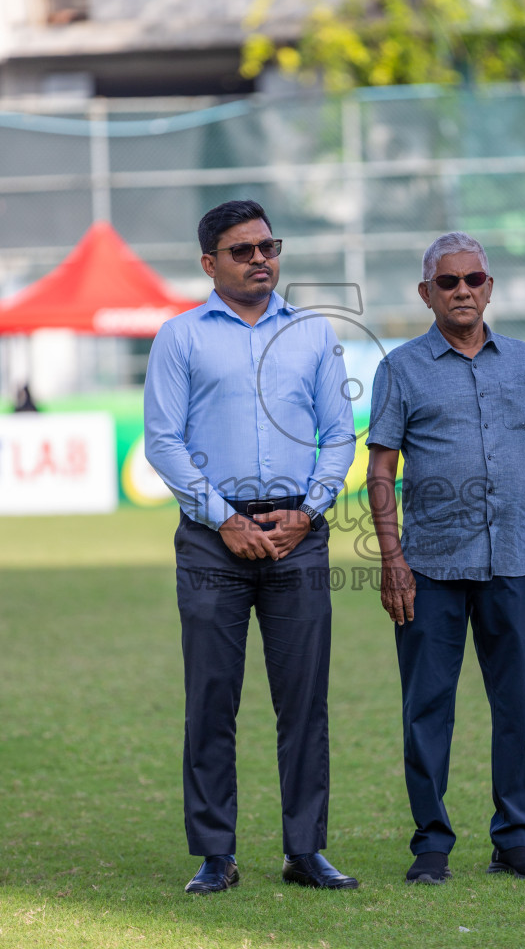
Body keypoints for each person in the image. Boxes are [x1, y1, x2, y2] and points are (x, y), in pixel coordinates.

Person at [144, 199, 358, 893]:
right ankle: (215, 854)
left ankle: (305, 851)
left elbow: (340, 433)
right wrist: (221, 518)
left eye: (268, 245)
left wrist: (310, 510)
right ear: (209, 263)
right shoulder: (179, 338)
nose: (260, 258)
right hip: (212, 542)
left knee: (304, 701)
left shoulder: (312, 334)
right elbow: (163, 441)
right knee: (211, 698)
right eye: (242, 250)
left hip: (299, 535)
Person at [366, 231, 525, 885]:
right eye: (448, 282)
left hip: (514, 563)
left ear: (489, 286)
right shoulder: (399, 368)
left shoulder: (523, 362)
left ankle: (514, 839)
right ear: (425, 292)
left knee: (514, 707)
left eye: (473, 279)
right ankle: (431, 843)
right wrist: (391, 560)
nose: (462, 291)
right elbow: (379, 469)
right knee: (427, 707)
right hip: (428, 569)